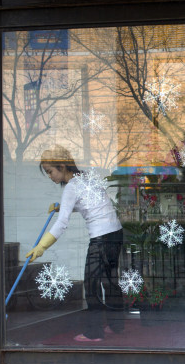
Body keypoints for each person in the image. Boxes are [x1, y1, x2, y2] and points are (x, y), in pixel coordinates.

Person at [26, 146, 124, 342]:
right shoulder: (86, 178)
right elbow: (92, 205)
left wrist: (41, 247)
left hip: (101, 237)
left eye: (50, 171)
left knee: (92, 283)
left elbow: (61, 224)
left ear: (62, 166)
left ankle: (94, 332)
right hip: (115, 233)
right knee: (110, 280)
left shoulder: (71, 186)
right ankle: (117, 324)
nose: (50, 176)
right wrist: (64, 207)